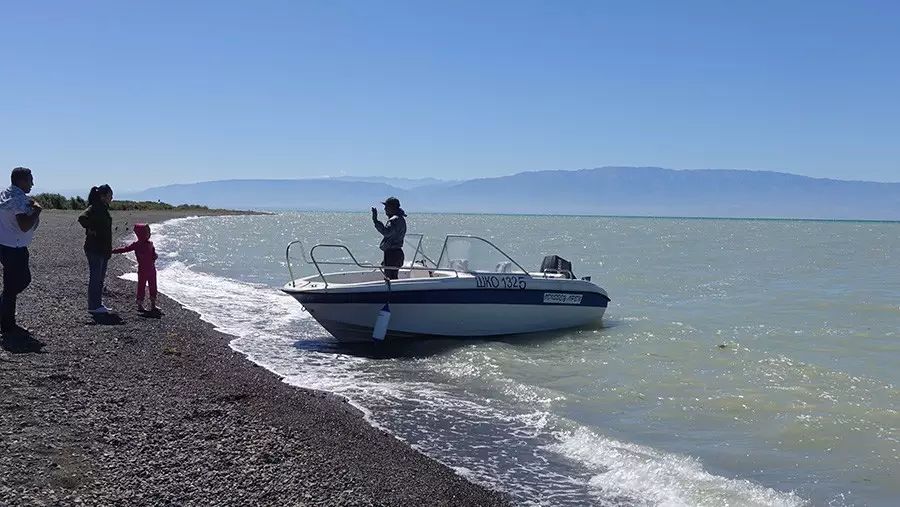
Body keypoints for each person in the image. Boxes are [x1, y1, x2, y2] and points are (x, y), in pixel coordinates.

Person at [0, 167, 42, 336]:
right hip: (15, 247)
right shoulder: (19, 200)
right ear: (21, 181)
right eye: (30, 180)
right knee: (19, 282)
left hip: (4, 245)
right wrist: (37, 210)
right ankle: (7, 323)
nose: (32, 183)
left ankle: (7, 320)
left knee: (11, 284)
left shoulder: (4, 194)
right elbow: (24, 226)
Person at [78, 185, 114, 314]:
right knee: (96, 277)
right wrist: (92, 229)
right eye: (110, 195)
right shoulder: (95, 207)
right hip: (94, 248)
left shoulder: (103, 208)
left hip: (102, 249)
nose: (111, 198)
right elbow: (82, 218)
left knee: (100, 278)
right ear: (102, 196)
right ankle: (93, 305)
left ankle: (97, 304)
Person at [112, 223, 159, 312]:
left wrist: (155, 256)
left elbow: (153, 254)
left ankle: (152, 304)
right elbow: (125, 249)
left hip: (150, 269)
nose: (149, 234)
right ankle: (141, 304)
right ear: (142, 234)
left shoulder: (149, 244)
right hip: (145, 269)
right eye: (148, 232)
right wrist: (113, 251)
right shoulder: (138, 245)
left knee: (151, 286)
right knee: (143, 287)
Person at [371, 196, 407, 280]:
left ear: (392, 208)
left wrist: (375, 220)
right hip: (397, 253)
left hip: (392, 254)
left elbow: (386, 232)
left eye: (386, 207)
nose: (385, 209)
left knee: (391, 278)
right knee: (392, 276)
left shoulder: (394, 220)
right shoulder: (401, 219)